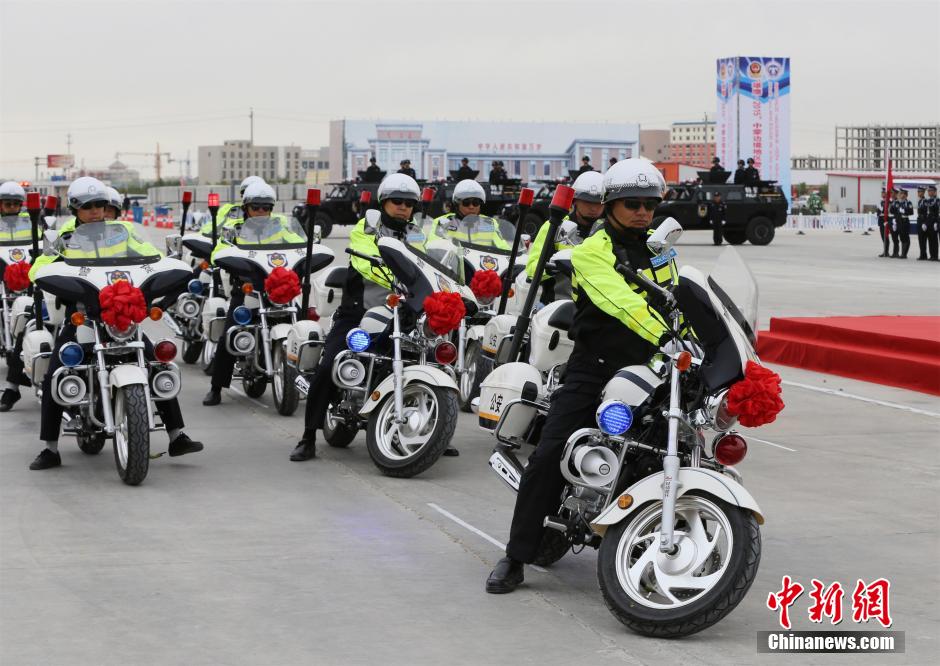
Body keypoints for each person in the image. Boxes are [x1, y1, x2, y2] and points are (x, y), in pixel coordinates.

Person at [485, 158, 678, 593]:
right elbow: (625, 305)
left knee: (679, 443)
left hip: (649, 369)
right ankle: (515, 556)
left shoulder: (660, 249)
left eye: (650, 204)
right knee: (549, 454)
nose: (643, 212)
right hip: (595, 368)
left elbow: (677, 297)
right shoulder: (591, 251)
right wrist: (669, 336)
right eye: (633, 203)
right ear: (611, 204)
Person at [27, 177, 203, 470]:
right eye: (88, 206)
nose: (96, 211)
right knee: (56, 372)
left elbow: (151, 256)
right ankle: (50, 447)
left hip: (120, 315)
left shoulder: (123, 232)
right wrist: (53, 274)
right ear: (75, 208)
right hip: (83, 314)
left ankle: (176, 435)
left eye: (100, 205)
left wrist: (167, 265)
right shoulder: (63, 237)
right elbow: (40, 267)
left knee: (154, 361)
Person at [291, 173, 433, 461]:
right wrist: (404, 276)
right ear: (383, 202)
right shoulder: (366, 227)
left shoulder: (417, 233)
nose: (403, 207)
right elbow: (366, 261)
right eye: (397, 201)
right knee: (330, 363)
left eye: (409, 203)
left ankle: (435, 430)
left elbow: (429, 262)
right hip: (360, 313)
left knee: (433, 361)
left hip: (404, 314)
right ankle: (308, 436)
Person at [202, 182, 296, 406]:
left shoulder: (281, 226)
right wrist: (230, 259)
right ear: (246, 207)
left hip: (278, 288)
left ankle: (303, 378)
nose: (262, 212)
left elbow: (298, 244)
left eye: (266, 208)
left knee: (303, 328)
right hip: (247, 290)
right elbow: (219, 252)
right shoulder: (234, 228)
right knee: (229, 335)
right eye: (256, 207)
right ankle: (216, 387)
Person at [526, 170, 604, 302]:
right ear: (575, 201)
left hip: (598, 307)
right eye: (588, 202)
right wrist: (554, 266)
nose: (594, 208)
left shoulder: (607, 230)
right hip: (557, 303)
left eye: (599, 203)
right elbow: (531, 271)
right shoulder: (554, 226)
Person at [0, 181, 33, 412]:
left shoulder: (31, 222)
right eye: (7, 203)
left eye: (15, 204)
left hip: (26, 273)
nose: (11, 207)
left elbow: (41, 245)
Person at [433, 180, 507, 249]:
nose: (471, 207)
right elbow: (434, 248)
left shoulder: (489, 223)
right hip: (453, 262)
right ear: (457, 204)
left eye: (476, 203)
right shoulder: (443, 222)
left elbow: (504, 248)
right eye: (466, 203)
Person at [885, 189, 902, 258]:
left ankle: (896, 253)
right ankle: (894, 252)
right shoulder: (892, 202)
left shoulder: (897, 203)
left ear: (896, 194)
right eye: (891, 193)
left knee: (895, 238)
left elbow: (898, 213)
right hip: (891, 220)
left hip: (895, 221)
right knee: (893, 238)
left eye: (893, 193)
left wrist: (895, 221)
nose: (892, 194)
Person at [925, 184, 939, 261]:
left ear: (934, 192)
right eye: (928, 191)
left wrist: (936, 222)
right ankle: (931, 255)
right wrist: (926, 223)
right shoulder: (928, 201)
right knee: (930, 239)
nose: (929, 192)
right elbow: (927, 212)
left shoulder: (937, 200)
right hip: (929, 221)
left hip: (934, 221)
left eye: (930, 191)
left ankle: (935, 256)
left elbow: (938, 212)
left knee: (934, 239)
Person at [876, 188, 891, 257]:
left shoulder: (889, 201)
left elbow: (888, 211)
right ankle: (885, 251)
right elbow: (878, 211)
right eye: (882, 193)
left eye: (884, 193)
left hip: (886, 220)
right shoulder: (881, 202)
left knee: (886, 236)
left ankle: (886, 251)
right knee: (883, 236)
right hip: (881, 220)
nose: (882, 194)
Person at [915, 186, 929, 260]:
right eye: (918, 192)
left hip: (923, 220)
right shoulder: (920, 201)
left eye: (920, 192)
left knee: (923, 239)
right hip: (919, 220)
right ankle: (922, 254)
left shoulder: (925, 201)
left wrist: (925, 222)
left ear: (923, 193)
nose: (918, 193)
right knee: (920, 239)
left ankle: (924, 255)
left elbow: (926, 212)